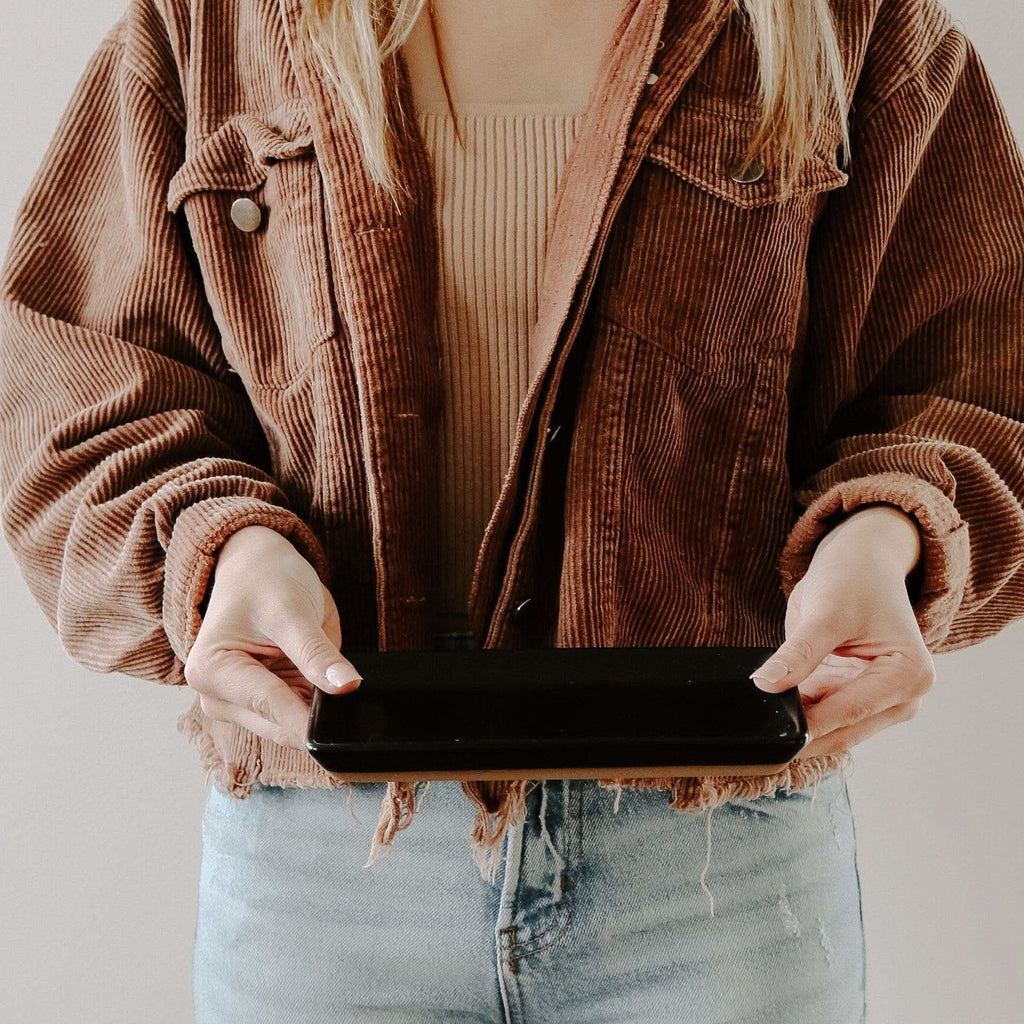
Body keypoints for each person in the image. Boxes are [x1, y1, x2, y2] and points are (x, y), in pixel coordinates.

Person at [2, 0, 1023, 1020]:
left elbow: (980, 383)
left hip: (714, 861)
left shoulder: (851, 26)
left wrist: (882, 538)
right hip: (324, 866)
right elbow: (69, 393)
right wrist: (226, 551)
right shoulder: (212, 25)